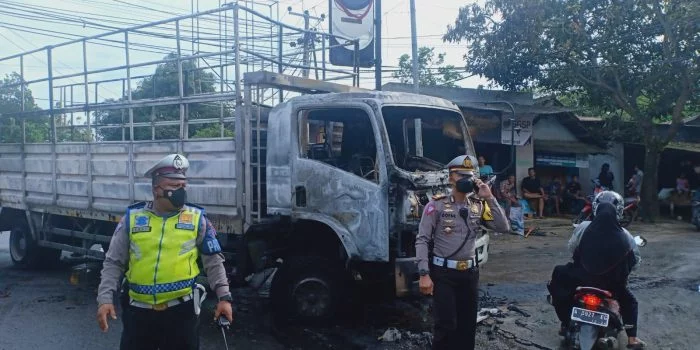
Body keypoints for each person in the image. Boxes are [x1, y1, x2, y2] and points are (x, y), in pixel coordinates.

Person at [96, 154, 234, 350]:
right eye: (174, 186)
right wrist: (104, 299)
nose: (181, 191)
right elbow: (113, 263)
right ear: (156, 189)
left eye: (183, 186)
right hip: (138, 315)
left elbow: (213, 261)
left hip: (181, 314)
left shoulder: (197, 219)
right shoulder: (132, 219)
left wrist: (224, 298)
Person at [415, 155, 509, 350]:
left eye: (471, 175)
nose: (467, 179)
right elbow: (422, 240)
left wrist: (489, 197)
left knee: (467, 328)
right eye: (462, 175)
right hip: (443, 275)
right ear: (450, 178)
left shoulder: (478, 205)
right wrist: (424, 274)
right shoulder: (436, 205)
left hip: (470, 274)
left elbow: (503, 227)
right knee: (446, 327)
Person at [548, 191, 645, 349]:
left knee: (559, 277)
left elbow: (572, 248)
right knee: (630, 302)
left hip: (580, 279)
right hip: (611, 285)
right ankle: (632, 339)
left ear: (596, 208)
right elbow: (634, 263)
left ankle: (564, 323)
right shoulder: (626, 235)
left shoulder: (584, 227)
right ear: (619, 211)